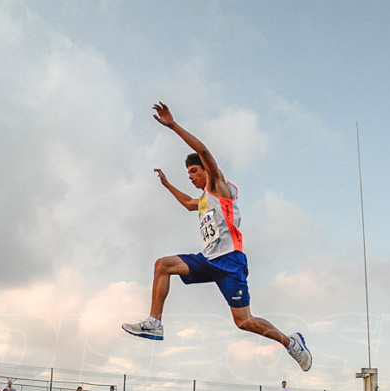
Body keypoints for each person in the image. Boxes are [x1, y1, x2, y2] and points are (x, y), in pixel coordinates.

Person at [122, 102, 312, 372]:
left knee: (244, 321)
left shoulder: (218, 186)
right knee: (162, 264)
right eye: (188, 173)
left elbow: (202, 151)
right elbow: (189, 203)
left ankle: (290, 343)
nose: (190, 176)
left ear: (206, 170)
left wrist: (173, 125)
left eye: (194, 171)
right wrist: (166, 185)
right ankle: (155, 322)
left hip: (230, 261)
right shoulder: (202, 200)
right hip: (208, 259)